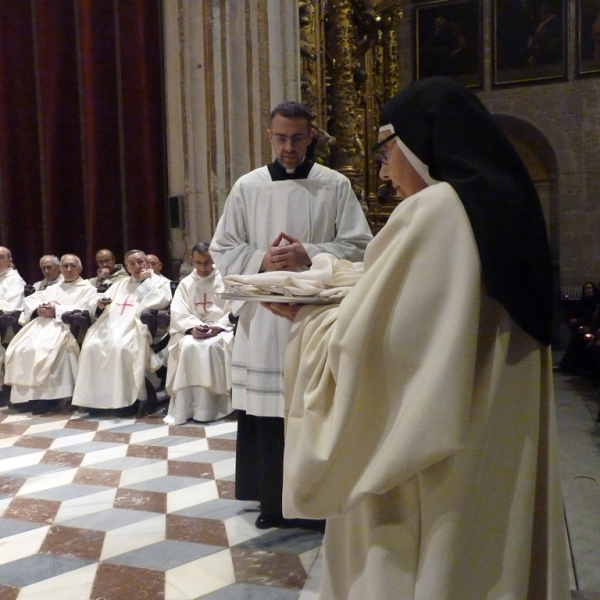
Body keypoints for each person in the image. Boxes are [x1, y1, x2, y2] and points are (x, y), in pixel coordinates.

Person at [265, 78, 569, 598]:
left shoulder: (434, 212)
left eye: (385, 153)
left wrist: (307, 320)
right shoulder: (498, 207)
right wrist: (332, 270)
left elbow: (375, 350)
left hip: (430, 465)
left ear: (417, 141)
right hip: (489, 433)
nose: (384, 174)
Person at [210, 101, 372, 529]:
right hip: (264, 319)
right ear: (269, 136)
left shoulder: (334, 185)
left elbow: (360, 247)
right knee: (267, 417)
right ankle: (273, 502)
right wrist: (263, 259)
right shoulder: (248, 187)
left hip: (316, 319)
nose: (288, 146)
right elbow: (222, 249)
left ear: (311, 136)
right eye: (281, 138)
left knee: (314, 410)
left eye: (297, 138)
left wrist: (309, 253)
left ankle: (317, 501)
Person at [72, 249, 172, 416]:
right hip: (110, 325)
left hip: (134, 326)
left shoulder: (159, 282)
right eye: (132, 264)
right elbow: (96, 299)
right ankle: (96, 401)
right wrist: (100, 303)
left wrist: (146, 282)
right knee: (91, 346)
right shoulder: (120, 284)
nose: (137, 266)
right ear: (126, 267)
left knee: (120, 348)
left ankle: (125, 402)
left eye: (140, 262)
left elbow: (161, 301)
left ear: (147, 263)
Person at [4, 254, 97, 414]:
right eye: (65, 266)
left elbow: (87, 310)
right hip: (40, 326)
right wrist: (38, 308)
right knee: (20, 349)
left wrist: (57, 311)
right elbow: (30, 300)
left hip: (64, 327)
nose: (69, 269)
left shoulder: (88, 289)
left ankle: (49, 397)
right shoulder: (52, 288)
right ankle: (26, 397)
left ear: (80, 269)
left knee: (42, 349)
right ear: (60, 269)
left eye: (73, 266)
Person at [164, 243, 234, 424]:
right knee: (187, 346)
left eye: (208, 263)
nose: (203, 268)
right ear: (192, 260)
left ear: (214, 260)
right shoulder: (186, 284)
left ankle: (215, 406)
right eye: (199, 263)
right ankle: (188, 407)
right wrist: (192, 327)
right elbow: (178, 311)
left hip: (220, 331)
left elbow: (234, 310)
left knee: (210, 347)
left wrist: (219, 326)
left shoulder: (226, 280)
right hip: (193, 332)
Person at [0, 247, 26, 388]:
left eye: (1, 257)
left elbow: (11, 305)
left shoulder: (15, 280)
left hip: (7, 323)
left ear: (10, 260)